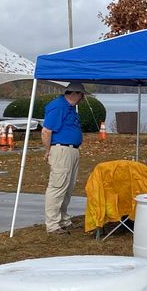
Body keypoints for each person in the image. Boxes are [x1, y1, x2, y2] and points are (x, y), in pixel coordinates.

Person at [41, 82, 85, 234]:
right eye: (82, 95)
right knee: (58, 186)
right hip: (61, 150)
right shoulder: (58, 106)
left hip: (72, 150)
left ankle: (63, 219)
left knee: (68, 187)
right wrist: (47, 151)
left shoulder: (70, 108)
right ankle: (52, 224)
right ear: (75, 94)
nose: (82, 98)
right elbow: (46, 131)